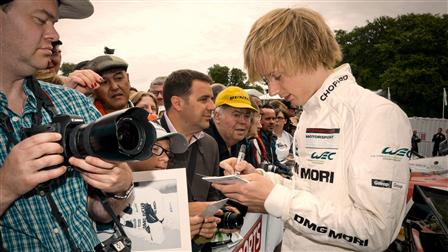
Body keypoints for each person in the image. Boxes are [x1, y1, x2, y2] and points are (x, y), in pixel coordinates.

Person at [213, 8, 412, 251]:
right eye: (267, 80)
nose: (273, 89)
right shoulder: (310, 114)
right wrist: (261, 180)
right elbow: (312, 191)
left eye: (277, 75)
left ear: (310, 55)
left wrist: (274, 198)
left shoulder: (378, 115)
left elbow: (376, 231)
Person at [0, 1, 133, 250]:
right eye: (40, 20)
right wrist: (5, 187)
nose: (54, 35)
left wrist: (120, 188)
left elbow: (100, 213)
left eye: (55, 23)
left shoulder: (72, 102)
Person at [159, 69, 224, 251]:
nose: (212, 106)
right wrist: (186, 212)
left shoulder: (210, 144)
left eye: (211, 99)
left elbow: (213, 194)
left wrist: (211, 221)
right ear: (177, 103)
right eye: (204, 99)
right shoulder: (145, 144)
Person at [126, 122, 221, 242]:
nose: (165, 158)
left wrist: (197, 232)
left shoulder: (165, 191)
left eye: (168, 153)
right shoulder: (107, 192)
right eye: (155, 149)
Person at [204, 86, 257, 173]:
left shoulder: (244, 144)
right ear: (217, 116)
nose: (243, 121)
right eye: (236, 115)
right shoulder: (202, 145)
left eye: (247, 116)